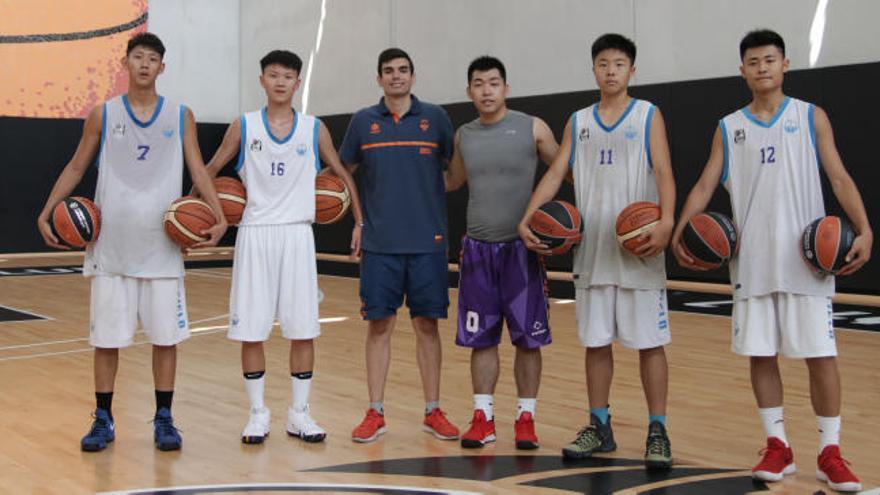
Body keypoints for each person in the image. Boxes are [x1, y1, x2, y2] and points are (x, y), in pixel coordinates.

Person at [671, 29, 870, 492]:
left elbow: (838, 176)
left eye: (770, 60)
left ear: (785, 65)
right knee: (761, 354)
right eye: (753, 61)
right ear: (742, 70)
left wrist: (865, 228)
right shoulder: (729, 125)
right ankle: (777, 445)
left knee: (821, 355)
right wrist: (683, 228)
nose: (762, 67)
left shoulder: (810, 116)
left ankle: (831, 450)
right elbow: (704, 184)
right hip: (753, 262)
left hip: (808, 261)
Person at [36, 32, 228, 452]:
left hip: (162, 249)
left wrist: (219, 216)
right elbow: (75, 166)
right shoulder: (102, 114)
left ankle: (164, 418)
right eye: (138, 56)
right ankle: (103, 419)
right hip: (111, 250)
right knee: (106, 341)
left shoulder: (181, 115)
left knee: (166, 339)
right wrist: (48, 208)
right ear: (125, 63)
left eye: (153, 58)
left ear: (163, 67)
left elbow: (198, 169)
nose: (144, 63)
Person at [518, 33, 676, 469]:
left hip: (639, 249)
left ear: (632, 71)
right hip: (592, 255)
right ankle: (599, 425)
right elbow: (556, 173)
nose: (611, 71)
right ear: (593, 70)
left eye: (619, 64)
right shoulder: (579, 120)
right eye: (603, 64)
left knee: (650, 344)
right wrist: (529, 215)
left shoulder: (648, 115)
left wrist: (666, 222)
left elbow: (663, 171)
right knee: (596, 344)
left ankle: (657, 428)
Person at [199, 50, 363, 445]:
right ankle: (257, 414)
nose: (280, 82)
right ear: (262, 80)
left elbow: (341, 174)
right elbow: (210, 169)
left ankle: (300, 413)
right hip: (255, 234)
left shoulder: (313, 128)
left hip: (296, 235)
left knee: (303, 330)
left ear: (297, 83)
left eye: (287, 76)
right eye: (273, 75)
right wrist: (190, 216)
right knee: (251, 331)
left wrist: (359, 221)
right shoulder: (244, 126)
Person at [340, 48, 459, 443]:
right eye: (388, 71)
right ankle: (375, 412)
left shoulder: (436, 119)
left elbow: (455, 174)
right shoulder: (362, 122)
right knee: (380, 326)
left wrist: (426, 197)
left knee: (427, 326)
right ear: (379, 79)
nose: (396, 77)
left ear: (413, 76)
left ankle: (433, 410)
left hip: (428, 243)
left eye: (403, 70)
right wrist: (358, 220)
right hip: (380, 244)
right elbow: (341, 175)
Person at [446, 56, 559, 450]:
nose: (487, 90)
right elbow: (453, 180)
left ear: (506, 88)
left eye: (494, 83)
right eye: (479, 84)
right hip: (477, 252)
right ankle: (483, 418)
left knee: (529, 340)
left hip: (521, 252)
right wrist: (404, 167)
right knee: (481, 340)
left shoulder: (532, 127)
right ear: (469, 91)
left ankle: (525, 419)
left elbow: (565, 170)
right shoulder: (464, 135)